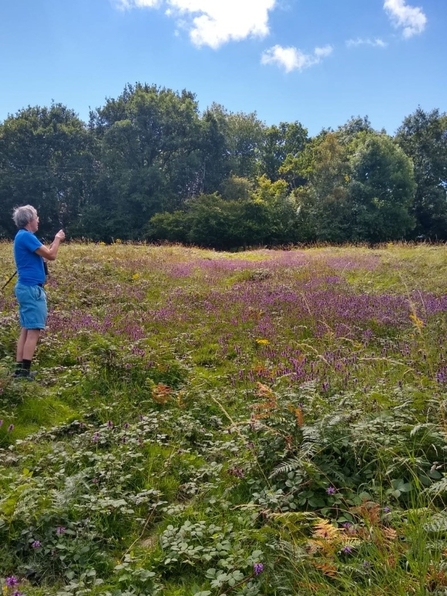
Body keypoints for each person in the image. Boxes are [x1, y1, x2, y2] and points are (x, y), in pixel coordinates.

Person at [12, 205, 65, 379]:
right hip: (32, 289)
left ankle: (20, 370)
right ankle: (24, 374)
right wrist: (57, 239)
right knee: (33, 330)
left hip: (26, 288)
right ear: (29, 220)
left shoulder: (22, 237)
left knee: (26, 329)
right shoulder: (27, 236)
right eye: (36, 217)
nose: (38, 220)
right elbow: (51, 255)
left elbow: (42, 255)